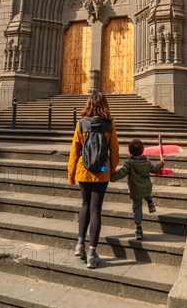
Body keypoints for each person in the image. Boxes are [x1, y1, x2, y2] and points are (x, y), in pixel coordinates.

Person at [67, 92, 119, 268]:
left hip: (83, 170)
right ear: (104, 105)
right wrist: (110, 169)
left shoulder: (81, 123)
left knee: (85, 205)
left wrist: (71, 174)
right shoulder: (109, 124)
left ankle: (80, 244)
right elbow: (115, 150)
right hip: (101, 171)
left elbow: (75, 151)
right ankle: (92, 253)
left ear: (88, 104)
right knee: (96, 210)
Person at [110, 139, 164, 240]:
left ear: (130, 151)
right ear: (142, 150)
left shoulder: (129, 162)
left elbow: (122, 172)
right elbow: (155, 169)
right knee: (147, 192)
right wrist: (161, 163)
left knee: (137, 207)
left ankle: (139, 229)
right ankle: (150, 203)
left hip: (135, 190)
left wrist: (111, 177)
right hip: (147, 188)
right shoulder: (147, 161)